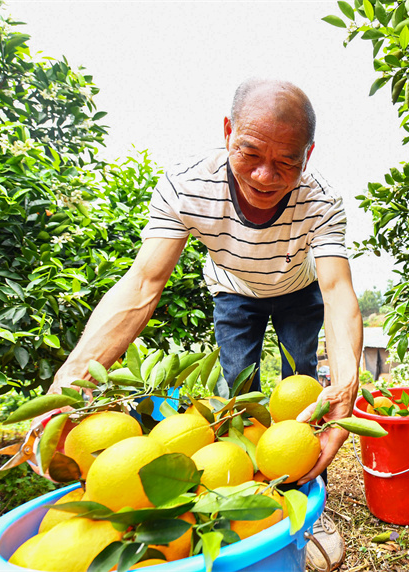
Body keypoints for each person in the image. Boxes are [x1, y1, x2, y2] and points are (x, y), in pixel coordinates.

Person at [43, 78, 361, 570]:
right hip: (233, 289)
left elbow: (337, 290)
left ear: (308, 154)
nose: (263, 176)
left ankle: (303, 503)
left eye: (286, 163)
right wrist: (77, 371)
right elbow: (144, 282)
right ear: (228, 130)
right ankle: (239, 494)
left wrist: (347, 385)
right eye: (249, 153)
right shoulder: (187, 183)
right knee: (237, 390)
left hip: (298, 290)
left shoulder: (321, 201)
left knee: (306, 391)